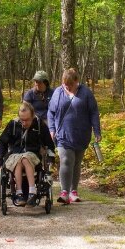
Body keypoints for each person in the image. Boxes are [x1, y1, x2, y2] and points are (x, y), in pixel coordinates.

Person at [46, 68, 101, 204]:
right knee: (66, 160)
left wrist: (97, 131)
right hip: (63, 134)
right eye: (65, 84)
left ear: (77, 81)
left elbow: (94, 112)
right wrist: (51, 128)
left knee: (76, 163)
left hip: (81, 134)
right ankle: (64, 192)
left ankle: (73, 191)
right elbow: (50, 112)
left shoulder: (86, 93)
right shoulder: (58, 92)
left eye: (70, 84)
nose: (67, 87)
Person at [0, 101, 55, 206]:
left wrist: (51, 157)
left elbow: (49, 143)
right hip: (15, 155)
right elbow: (2, 141)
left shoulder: (39, 124)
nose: (24, 123)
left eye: (27, 120)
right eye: (22, 120)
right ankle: (19, 193)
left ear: (33, 115)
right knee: (19, 160)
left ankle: (32, 192)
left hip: (32, 154)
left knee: (25, 158)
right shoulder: (13, 124)